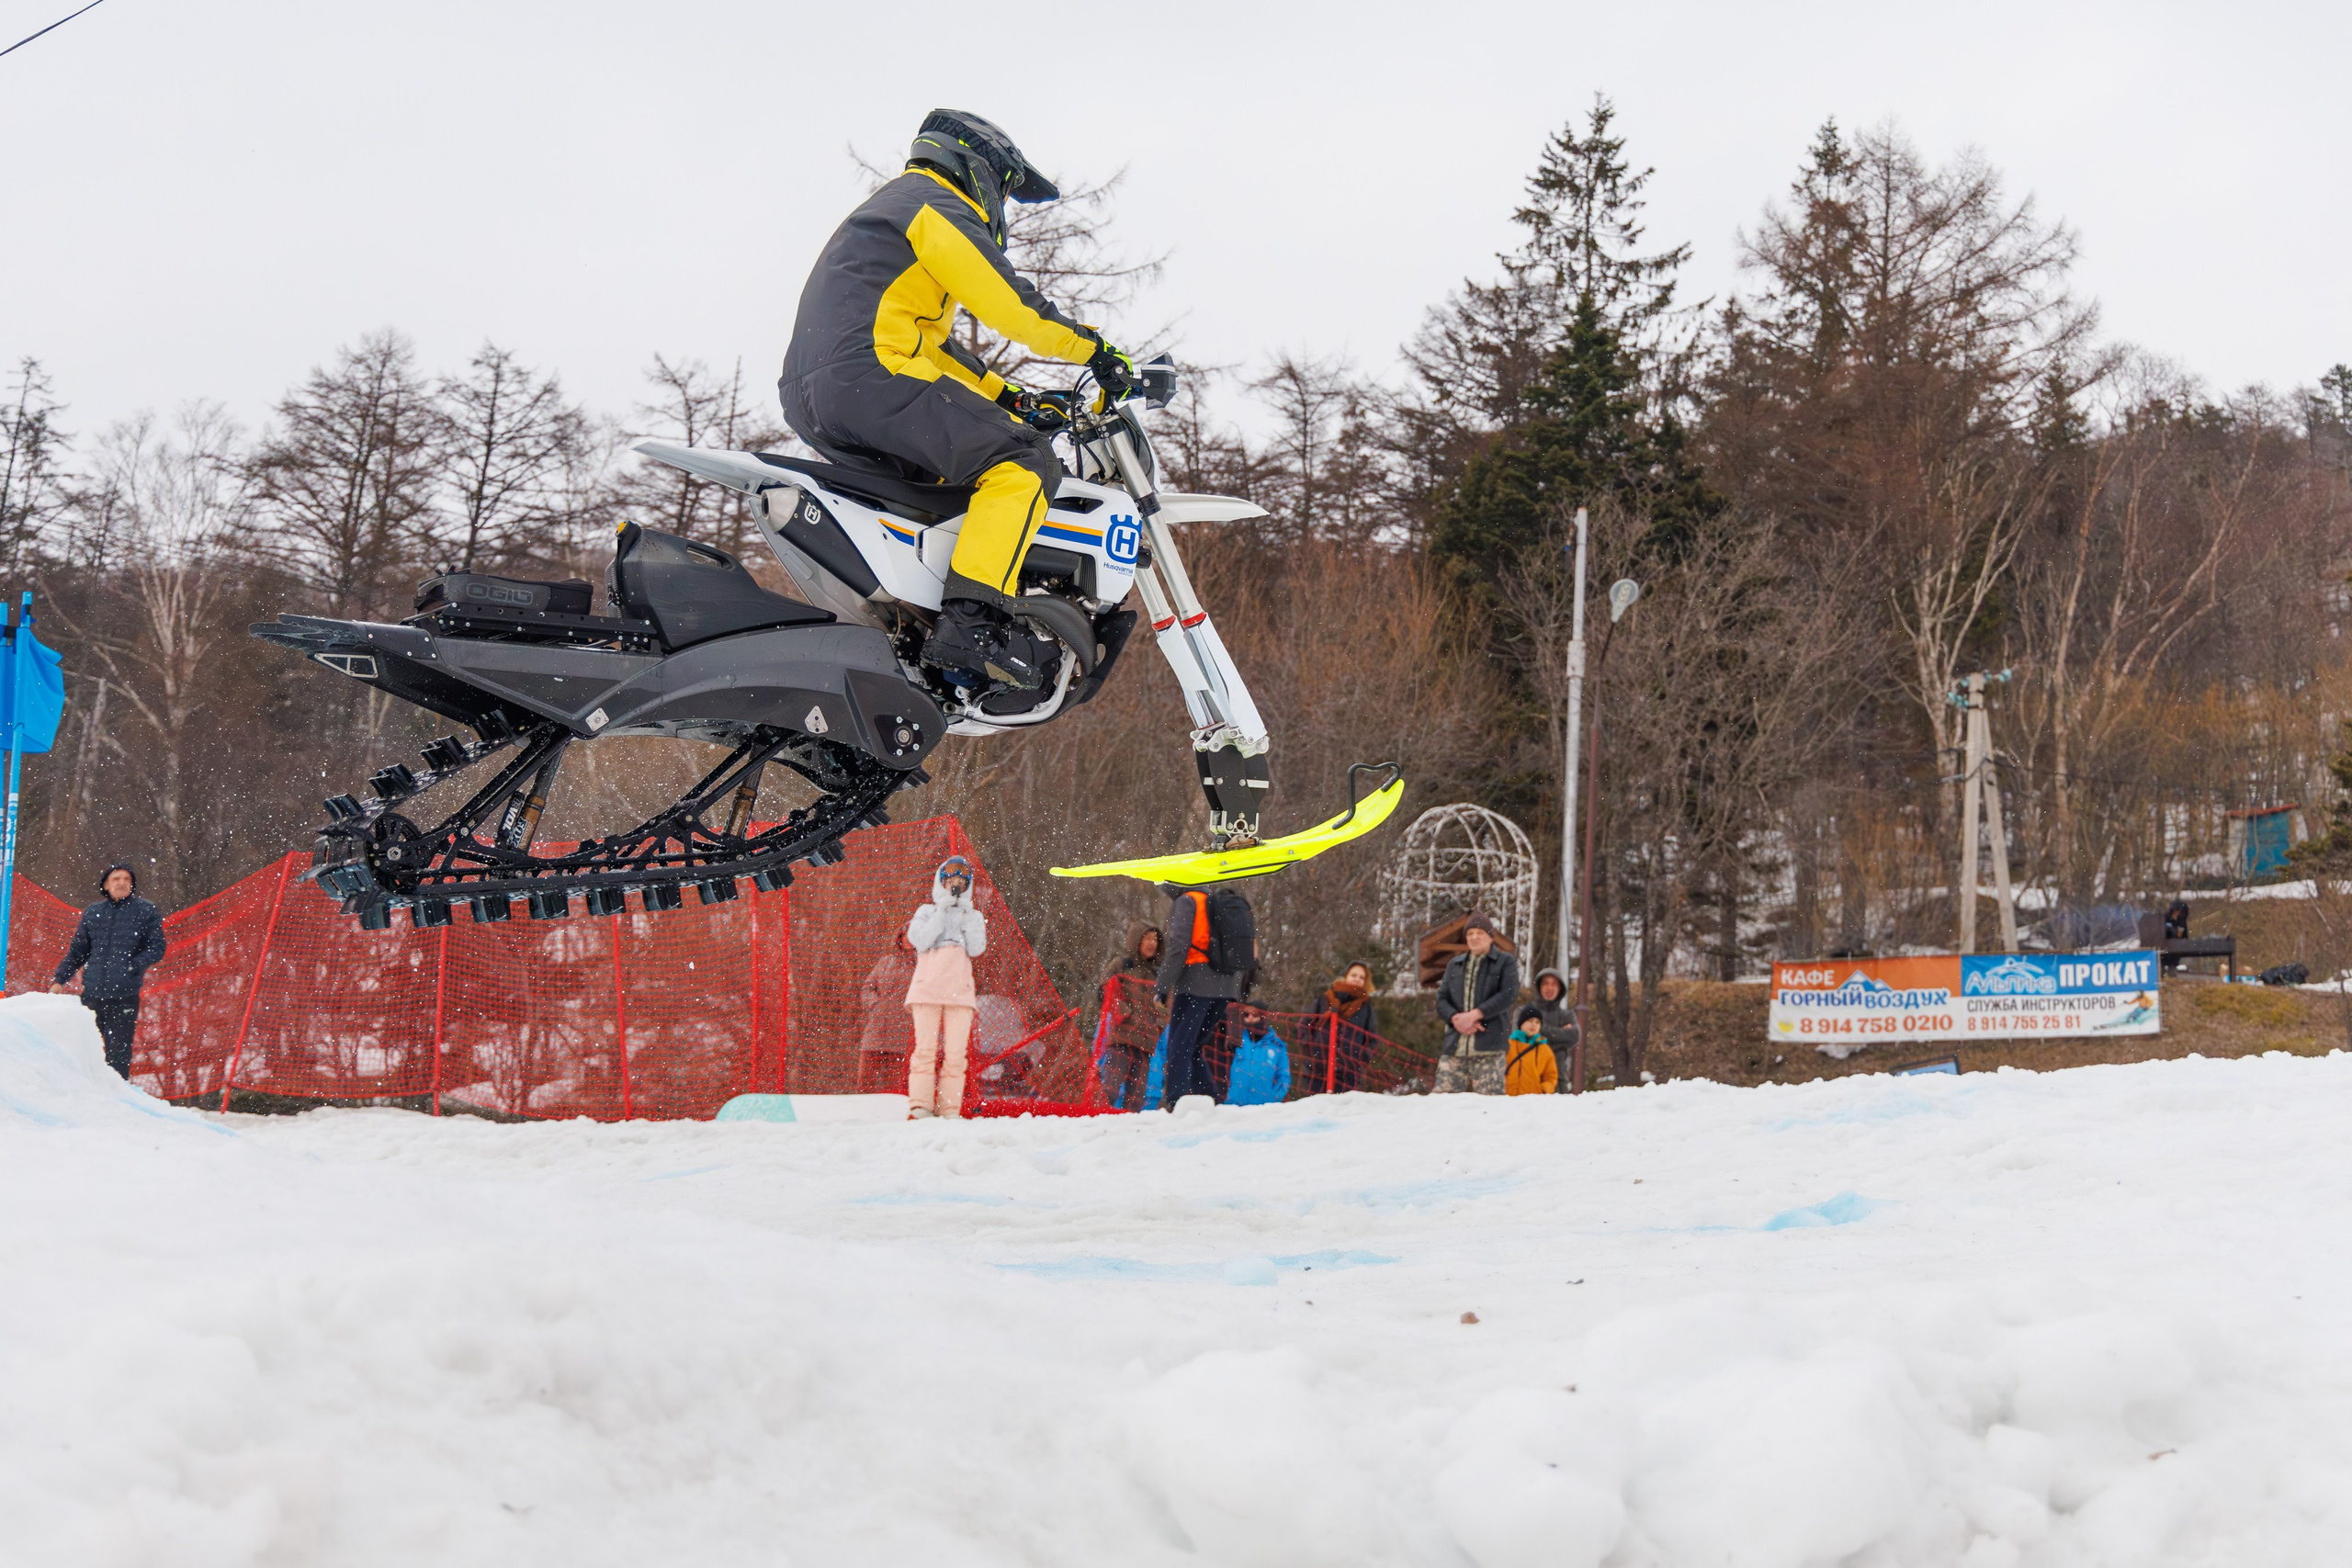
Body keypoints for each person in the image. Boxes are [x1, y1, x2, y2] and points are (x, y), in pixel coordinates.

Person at [779, 108, 1137, 691]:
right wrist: (1097, 351)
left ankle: (908, 634)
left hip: (822, 393)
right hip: (870, 375)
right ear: (981, 170)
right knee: (1024, 463)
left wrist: (1010, 399)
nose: (1003, 205)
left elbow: (930, 347)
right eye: (1006, 189)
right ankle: (971, 626)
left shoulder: (892, 209)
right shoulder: (934, 204)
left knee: (945, 497)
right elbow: (1013, 307)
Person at [51, 862, 166, 1081]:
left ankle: (117, 1095)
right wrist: (60, 979)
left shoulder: (145, 910)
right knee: (86, 1048)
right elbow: (78, 951)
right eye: (116, 878)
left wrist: (133, 966)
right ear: (105, 884)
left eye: (127, 879)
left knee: (119, 1054)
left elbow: (157, 947)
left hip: (124, 995)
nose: (122, 883)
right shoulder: (93, 913)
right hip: (92, 993)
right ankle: (85, 1091)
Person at [902, 855, 987, 1119]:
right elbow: (920, 940)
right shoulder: (925, 911)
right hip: (927, 988)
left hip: (960, 991)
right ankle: (920, 1106)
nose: (955, 886)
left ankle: (950, 1108)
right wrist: (941, 911)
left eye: (962, 881)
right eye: (950, 881)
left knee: (956, 1056)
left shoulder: (973, 915)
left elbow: (977, 948)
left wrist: (967, 915)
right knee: (925, 1051)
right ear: (941, 882)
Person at [1155, 882, 1249, 1107]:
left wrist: (1162, 986)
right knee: (1193, 1046)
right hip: (1225, 987)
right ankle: (1208, 1098)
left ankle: (1174, 1101)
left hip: (1196, 984)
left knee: (1179, 1046)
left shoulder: (1187, 901)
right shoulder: (1213, 900)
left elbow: (1178, 947)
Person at [1432, 912, 1518, 1096]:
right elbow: (1441, 1000)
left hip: (1489, 1048)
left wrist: (1474, 1015)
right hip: (1455, 1047)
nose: (1474, 937)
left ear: (1490, 937)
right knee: (1441, 1102)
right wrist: (1456, 1019)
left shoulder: (1505, 961)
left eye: (1480, 932)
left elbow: (1508, 995)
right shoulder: (1454, 965)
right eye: (1470, 933)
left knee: (1489, 1105)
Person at [1096, 924, 1164, 1111]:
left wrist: (1158, 1025)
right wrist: (1124, 1012)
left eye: (1155, 939)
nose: (1152, 943)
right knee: (1109, 1090)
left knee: (1136, 1099)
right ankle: (1096, 1120)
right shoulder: (1121, 965)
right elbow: (1104, 992)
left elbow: (1164, 1005)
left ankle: (1128, 1128)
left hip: (1146, 1043)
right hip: (1122, 1038)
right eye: (1147, 938)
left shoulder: (1158, 974)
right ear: (1137, 940)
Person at [1316, 961, 1380, 1092]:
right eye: (1353, 975)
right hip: (1318, 1066)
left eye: (1361, 977)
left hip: (1349, 1070)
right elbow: (1305, 1024)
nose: (1357, 979)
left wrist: (1360, 1057)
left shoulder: (1365, 1007)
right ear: (1345, 976)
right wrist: (1311, 1048)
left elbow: (1372, 1038)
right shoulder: (1325, 999)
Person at [1224, 1003, 1292, 1106]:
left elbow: (1284, 1077)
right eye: (1246, 1014)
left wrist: (1273, 1098)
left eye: (1255, 1014)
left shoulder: (1277, 1046)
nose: (1250, 1017)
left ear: (1263, 1016)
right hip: (1234, 1106)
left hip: (1262, 1109)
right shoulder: (1236, 1041)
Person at [1529, 966, 1579, 1093]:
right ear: (1539, 987)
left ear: (1560, 988)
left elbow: (1574, 1036)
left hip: (1559, 1079)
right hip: (1529, 1077)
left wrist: (1540, 1031)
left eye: (1554, 984)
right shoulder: (1526, 1012)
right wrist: (1560, 1036)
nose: (1549, 988)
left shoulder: (1567, 1015)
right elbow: (1522, 1038)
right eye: (1545, 983)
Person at [1504, 1007, 1559, 1096]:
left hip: (1533, 1100)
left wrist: (1544, 1089)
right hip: (1507, 1097)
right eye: (1530, 1021)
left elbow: (1551, 1076)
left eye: (1537, 1022)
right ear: (1521, 1023)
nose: (1534, 1025)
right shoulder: (1508, 1045)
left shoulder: (1545, 1050)